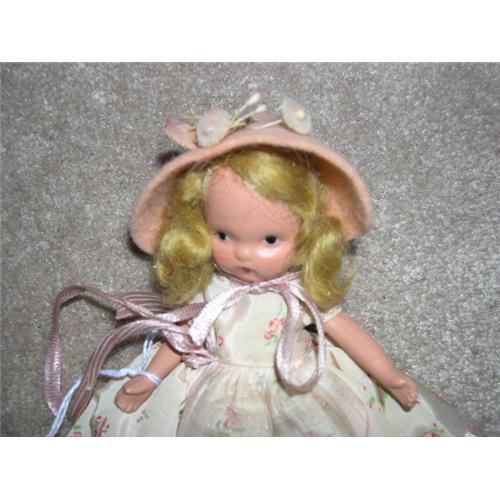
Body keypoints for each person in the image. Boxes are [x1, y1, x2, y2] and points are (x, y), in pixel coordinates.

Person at [47, 95, 479, 436]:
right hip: (216, 393)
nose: (243, 254)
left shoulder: (297, 292)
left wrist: (388, 375)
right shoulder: (214, 292)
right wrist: (150, 380)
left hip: (298, 385)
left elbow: (344, 330)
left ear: (308, 235)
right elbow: (184, 338)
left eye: (270, 240)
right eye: (223, 235)